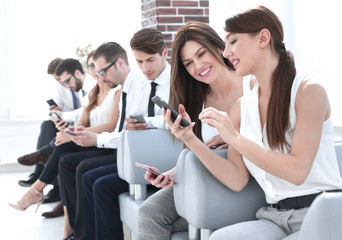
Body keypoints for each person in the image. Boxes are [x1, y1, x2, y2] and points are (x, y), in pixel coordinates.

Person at [165, 6, 342, 240]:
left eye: (233, 42)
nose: (226, 53)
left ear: (263, 38)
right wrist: (190, 139)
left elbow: (298, 171)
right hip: (274, 217)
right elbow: (237, 180)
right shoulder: (242, 107)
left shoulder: (308, 91)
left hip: (320, 212)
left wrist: (234, 138)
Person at [138, 22, 253, 240]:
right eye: (189, 63)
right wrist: (170, 174)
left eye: (202, 54)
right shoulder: (196, 99)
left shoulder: (251, 84)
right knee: (149, 212)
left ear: (218, 48)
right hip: (207, 179)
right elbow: (204, 151)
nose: (198, 66)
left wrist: (235, 140)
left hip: (245, 183)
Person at [8, 53, 121, 239]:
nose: (94, 72)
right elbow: (83, 121)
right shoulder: (94, 93)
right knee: (62, 151)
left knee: (64, 152)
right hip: (94, 139)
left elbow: (110, 126)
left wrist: (72, 134)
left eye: (98, 68)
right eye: (91, 67)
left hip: (106, 143)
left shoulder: (115, 91)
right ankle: (68, 227)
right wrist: (67, 129)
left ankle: (37, 187)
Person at [80, 27, 171, 240]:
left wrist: (145, 123)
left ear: (164, 53)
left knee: (99, 182)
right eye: (139, 62)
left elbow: (173, 120)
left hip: (164, 160)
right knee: (90, 176)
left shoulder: (174, 82)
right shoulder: (144, 84)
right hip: (140, 156)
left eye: (150, 60)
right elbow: (130, 126)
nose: (145, 68)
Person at [56, 41, 150, 240]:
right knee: (69, 161)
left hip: (131, 154)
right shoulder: (124, 89)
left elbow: (126, 133)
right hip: (122, 148)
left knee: (86, 173)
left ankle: (83, 234)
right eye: (97, 73)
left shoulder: (138, 87)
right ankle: (80, 232)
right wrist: (91, 136)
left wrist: (96, 139)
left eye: (102, 72)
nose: (100, 78)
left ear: (120, 63)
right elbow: (120, 131)